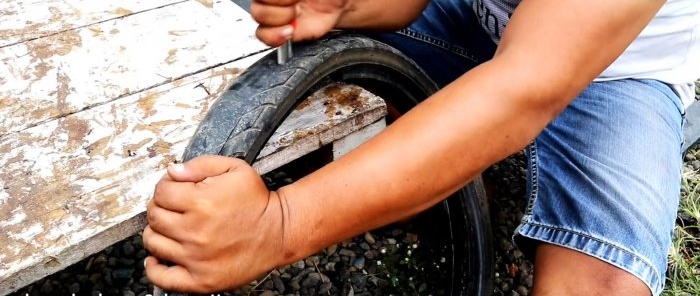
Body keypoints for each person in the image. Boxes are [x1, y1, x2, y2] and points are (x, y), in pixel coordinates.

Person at [141, 0, 700, 295]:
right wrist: (343, 6)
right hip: (475, 16)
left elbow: (525, 88)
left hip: (622, 75)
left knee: (603, 284)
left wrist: (280, 224)